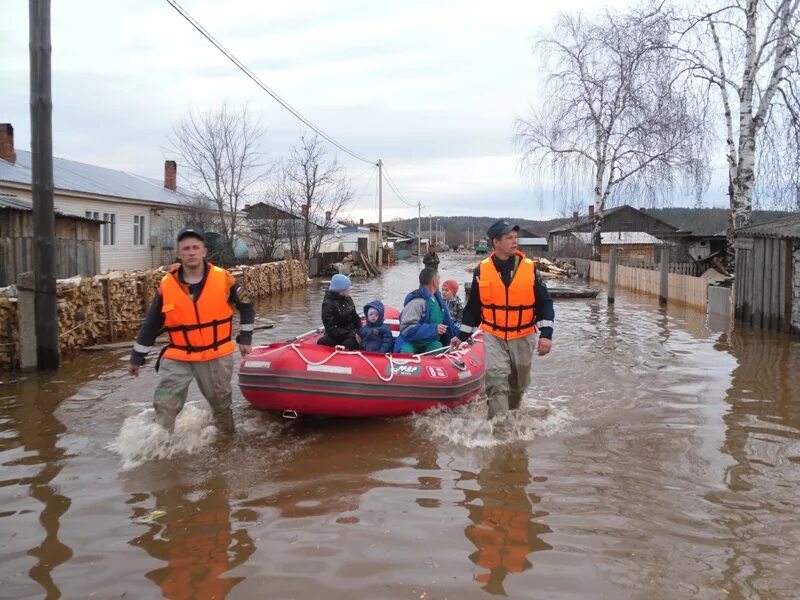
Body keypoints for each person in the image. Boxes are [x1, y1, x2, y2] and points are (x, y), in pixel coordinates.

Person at [127, 227, 254, 434]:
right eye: (186, 248)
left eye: (196, 247)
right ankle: (161, 451)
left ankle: (226, 446)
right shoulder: (166, 285)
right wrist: (136, 357)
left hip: (216, 354)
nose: (191, 252)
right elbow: (151, 324)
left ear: (204, 251)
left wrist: (245, 338)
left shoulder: (224, 279)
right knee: (164, 405)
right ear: (179, 253)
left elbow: (247, 306)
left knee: (222, 407)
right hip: (179, 356)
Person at [452, 219, 554, 419]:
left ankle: (513, 420)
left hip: (523, 335)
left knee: (518, 387)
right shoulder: (482, 270)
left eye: (515, 237)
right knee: (497, 384)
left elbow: (545, 302)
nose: (514, 241)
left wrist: (546, 335)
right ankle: (499, 433)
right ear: (495, 242)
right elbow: (473, 307)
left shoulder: (530, 268)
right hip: (494, 336)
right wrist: (461, 336)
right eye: (509, 238)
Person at [394, 267, 458, 354]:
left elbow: (449, 324)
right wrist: (434, 329)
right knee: (406, 352)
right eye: (438, 278)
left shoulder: (438, 300)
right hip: (410, 342)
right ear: (433, 281)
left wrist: (462, 335)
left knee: (437, 347)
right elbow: (407, 328)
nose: (439, 282)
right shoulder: (417, 302)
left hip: (430, 342)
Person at [318, 274, 362, 350]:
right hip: (337, 334)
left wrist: (360, 332)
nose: (349, 289)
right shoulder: (328, 304)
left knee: (349, 343)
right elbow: (331, 329)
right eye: (347, 287)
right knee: (322, 342)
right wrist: (351, 334)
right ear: (341, 290)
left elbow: (355, 317)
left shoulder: (348, 299)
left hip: (351, 332)